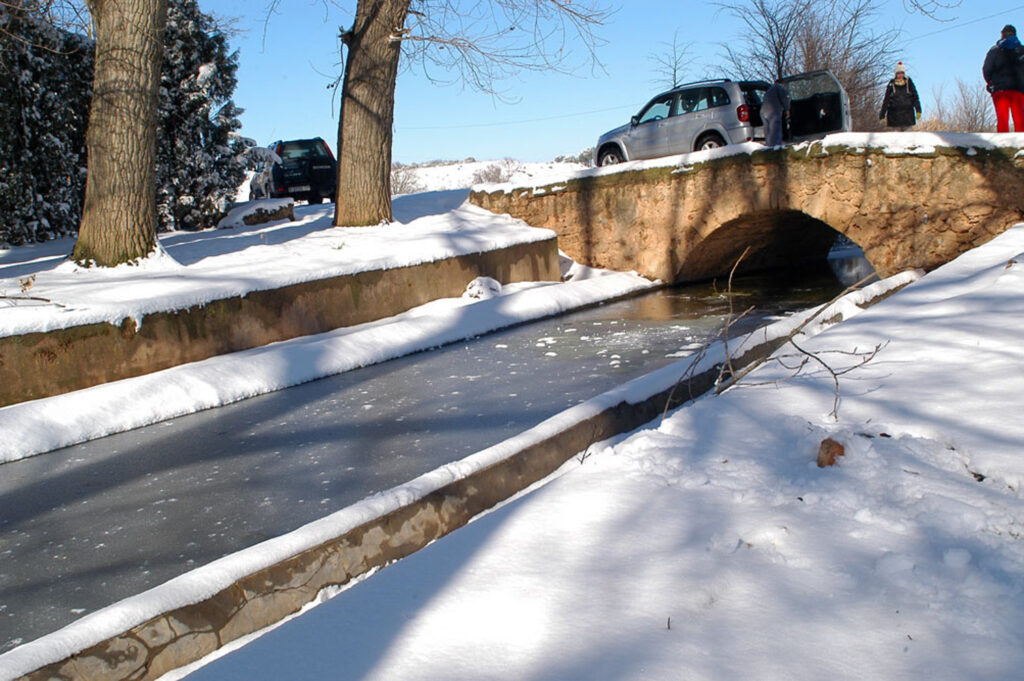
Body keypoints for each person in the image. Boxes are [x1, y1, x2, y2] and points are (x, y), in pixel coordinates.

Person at [983, 24, 1024, 132]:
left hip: (1000, 90)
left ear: (1002, 35)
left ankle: (1003, 144)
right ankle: (1021, 145)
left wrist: (991, 83)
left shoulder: (994, 50)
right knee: (1020, 120)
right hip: (1018, 89)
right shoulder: (1022, 50)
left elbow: (987, 69)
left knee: (1002, 120)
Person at [879, 62, 922, 131]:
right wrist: (882, 114)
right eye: (898, 73)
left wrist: (918, 110)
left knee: (909, 140)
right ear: (895, 74)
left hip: (908, 118)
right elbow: (886, 100)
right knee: (894, 140)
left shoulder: (909, 83)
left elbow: (915, 97)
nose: (900, 75)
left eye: (902, 73)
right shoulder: (891, 84)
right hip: (894, 119)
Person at [761, 79, 791, 147]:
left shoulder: (769, 90)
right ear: (782, 83)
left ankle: (769, 148)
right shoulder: (779, 87)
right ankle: (776, 149)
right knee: (776, 131)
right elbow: (784, 98)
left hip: (763, 111)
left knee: (768, 131)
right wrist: (787, 109)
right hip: (773, 111)